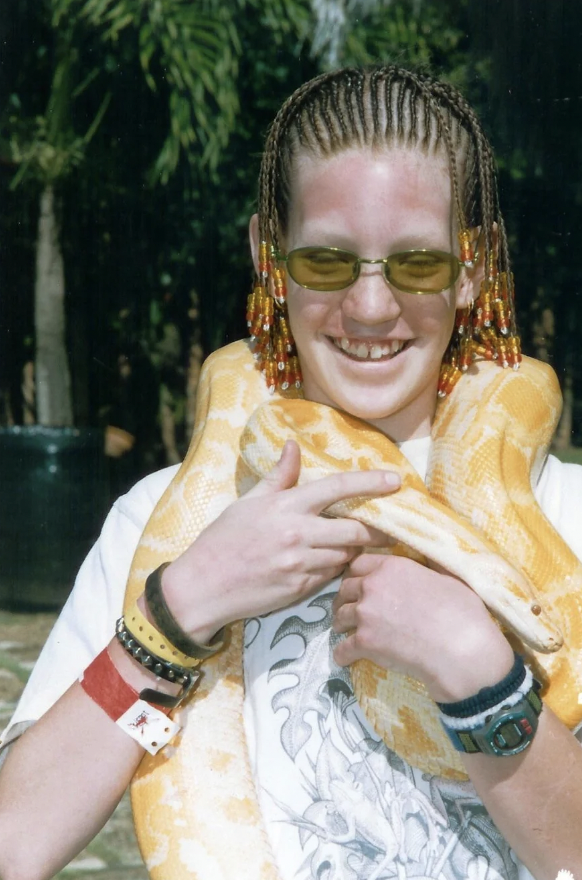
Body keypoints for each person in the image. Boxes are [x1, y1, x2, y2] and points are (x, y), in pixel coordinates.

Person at [1, 64, 582, 880]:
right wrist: (181, 609)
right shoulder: (161, 522)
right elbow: (13, 845)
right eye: (326, 263)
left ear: (473, 265)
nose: (372, 307)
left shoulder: (570, 522)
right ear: (267, 258)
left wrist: (480, 674)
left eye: (416, 263)